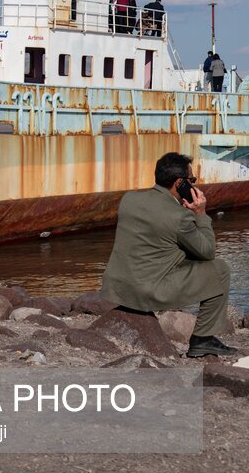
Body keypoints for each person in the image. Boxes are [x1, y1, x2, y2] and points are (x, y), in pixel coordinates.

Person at [101, 152, 237, 358]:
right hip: (148, 291)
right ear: (180, 183)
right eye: (191, 181)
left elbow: (156, 239)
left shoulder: (129, 200)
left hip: (119, 288)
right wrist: (200, 215)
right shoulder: (180, 217)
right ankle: (203, 339)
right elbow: (207, 252)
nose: (194, 184)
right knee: (220, 269)